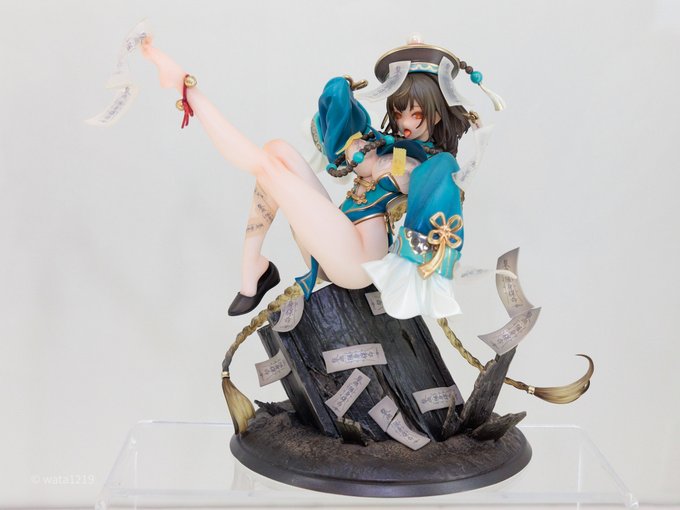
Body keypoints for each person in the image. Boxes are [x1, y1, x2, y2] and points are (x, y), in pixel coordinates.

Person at [141, 36, 498, 319]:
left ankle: (190, 92)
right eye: (398, 111)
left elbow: (434, 222)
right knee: (277, 150)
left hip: (358, 263)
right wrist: (343, 91)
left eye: (415, 115)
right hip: (335, 238)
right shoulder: (383, 144)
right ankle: (255, 269)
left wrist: (416, 266)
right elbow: (343, 132)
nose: (404, 122)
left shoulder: (432, 166)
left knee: (267, 167)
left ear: (436, 116)